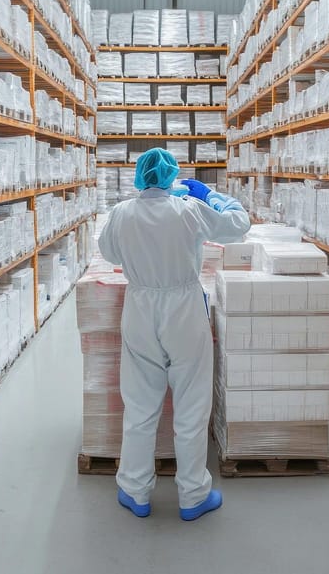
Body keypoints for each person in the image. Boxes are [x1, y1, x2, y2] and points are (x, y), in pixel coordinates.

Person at [98, 148, 251, 522]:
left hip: (140, 308)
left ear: (138, 176)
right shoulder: (189, 211)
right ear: (172, 177)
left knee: (139, 402)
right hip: (183, 308)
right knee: (191, 404)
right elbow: (239, 224)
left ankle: (135, 491)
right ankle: (193, 495)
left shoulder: (121, 213)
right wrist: (209, 195)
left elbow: (108, 251)